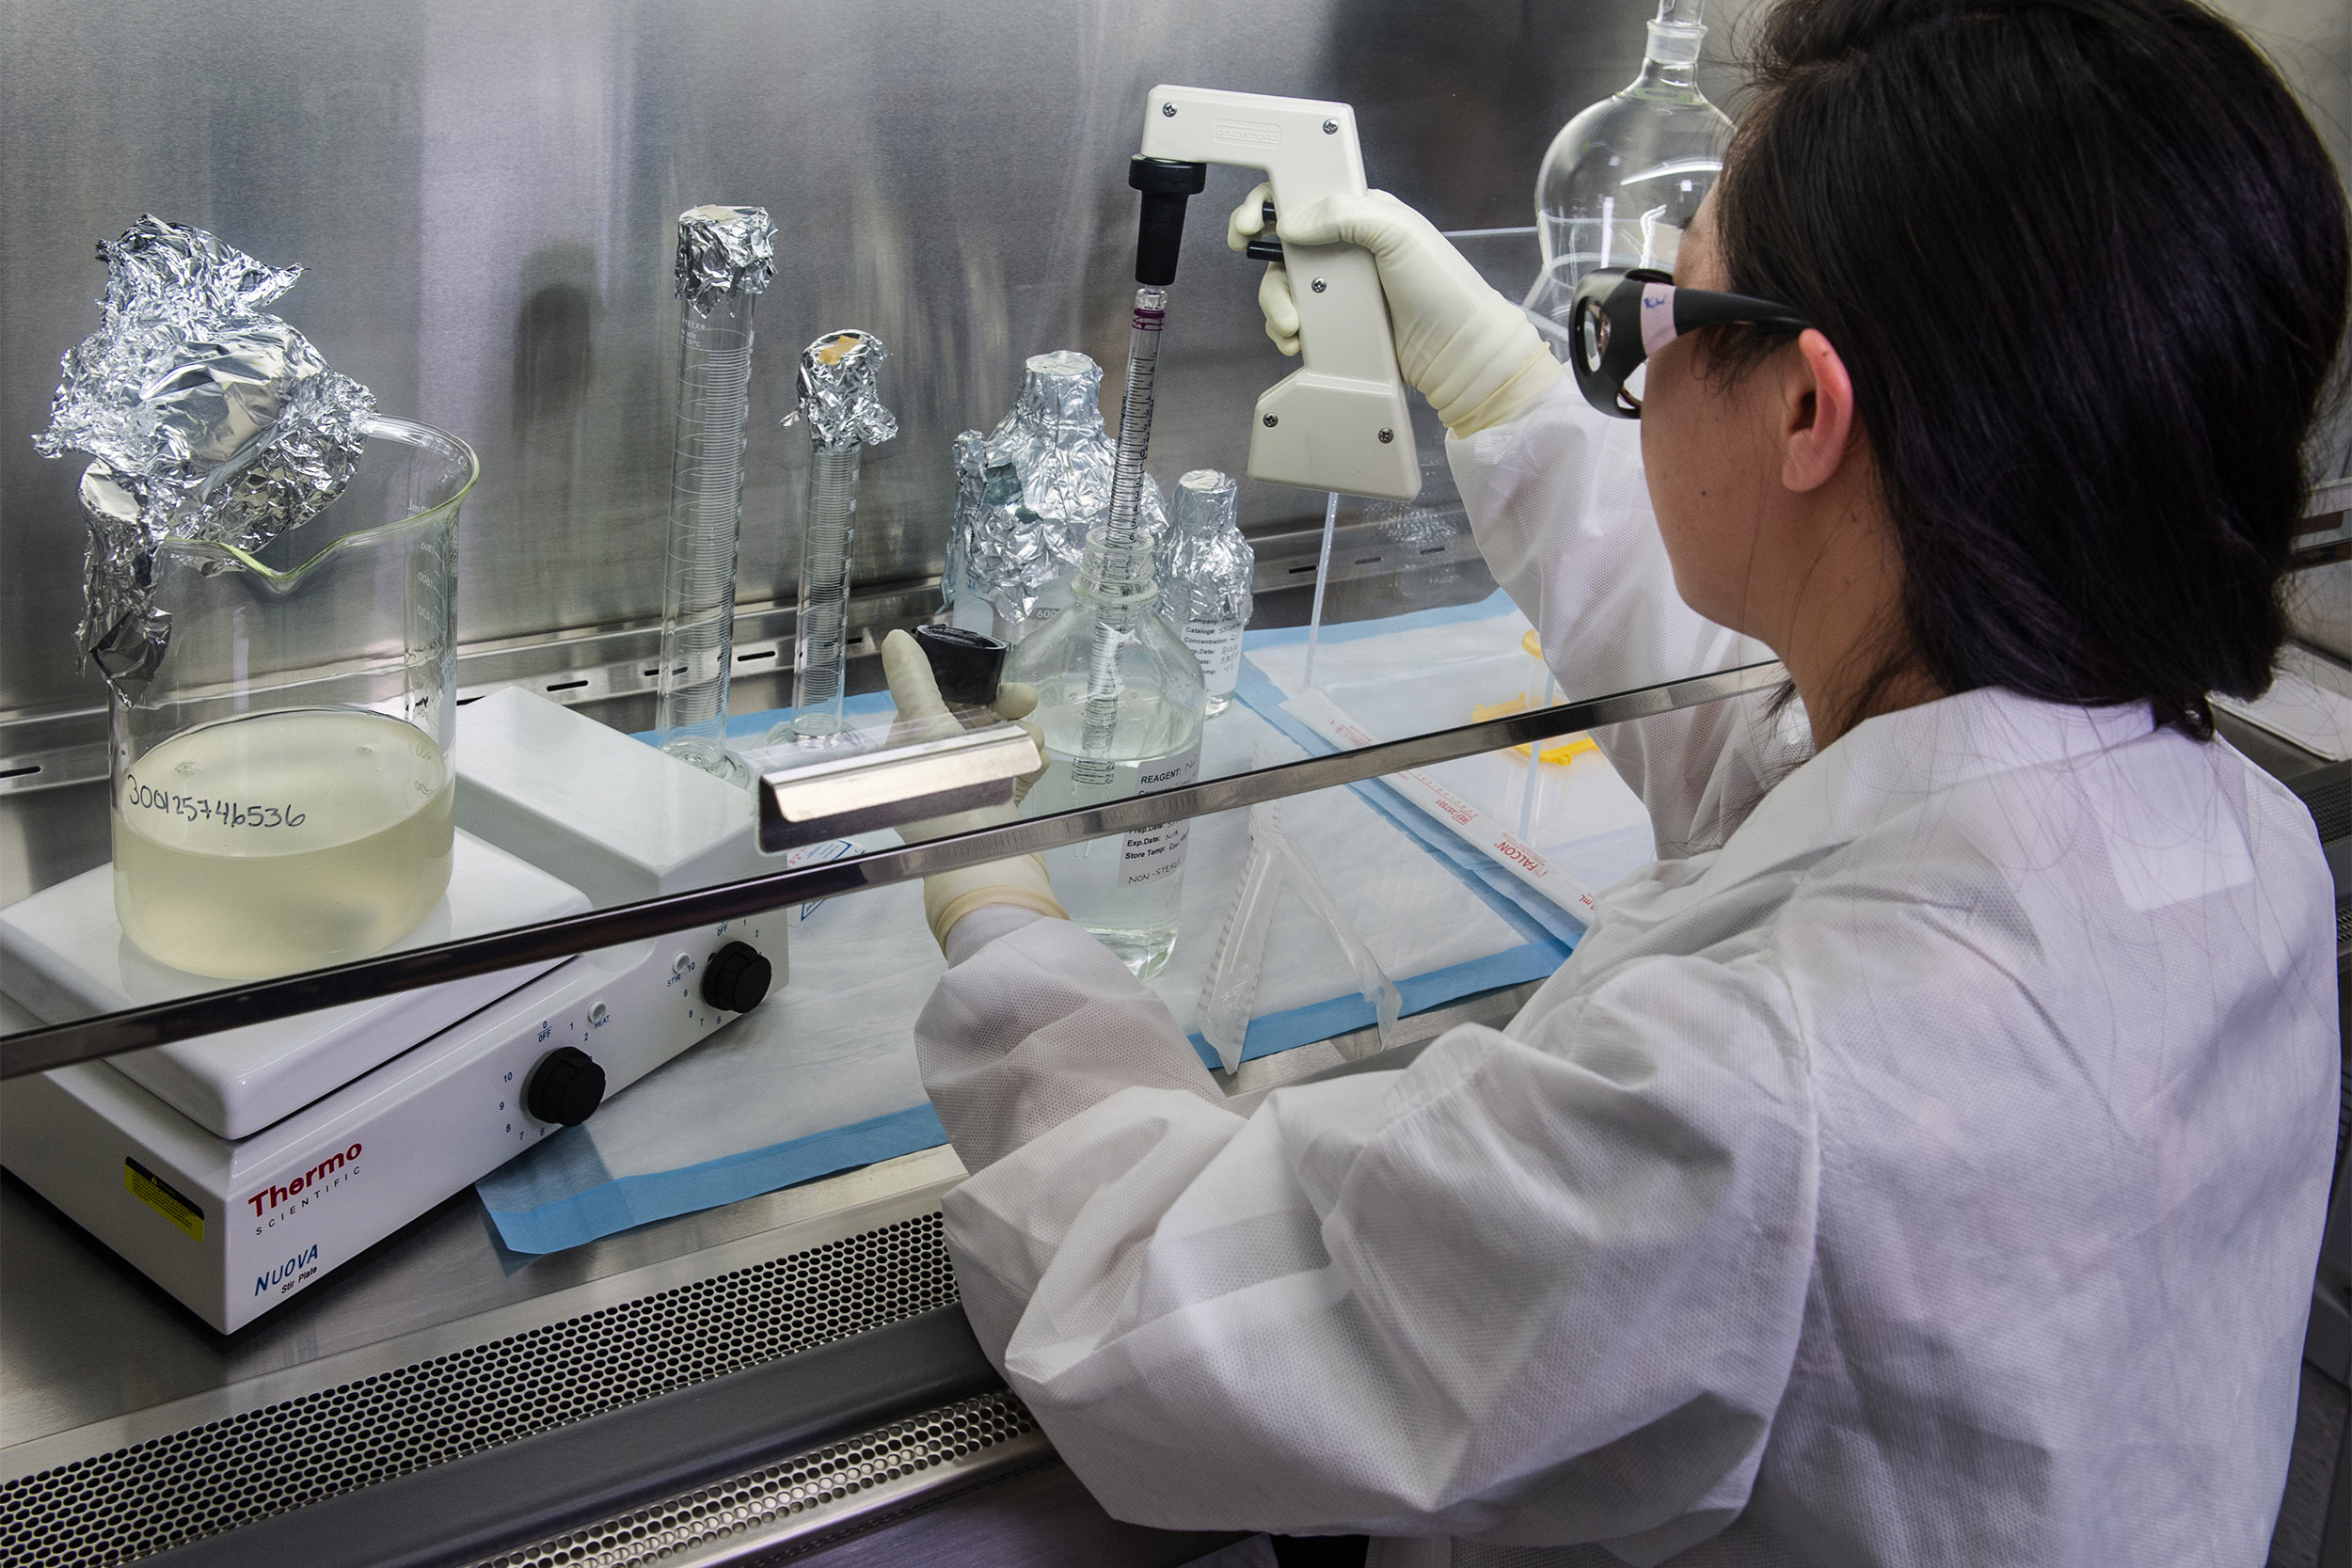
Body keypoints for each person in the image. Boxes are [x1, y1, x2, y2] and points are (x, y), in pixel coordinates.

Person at [881, 0, 2351, 1560]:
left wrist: (1005, 934)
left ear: (1807, 408)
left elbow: (1167, 1315)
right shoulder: (2236, 842)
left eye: (1662, 312)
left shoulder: (1740, 1107)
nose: (1636, 352)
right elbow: (1793, 770)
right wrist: (1506, 395)